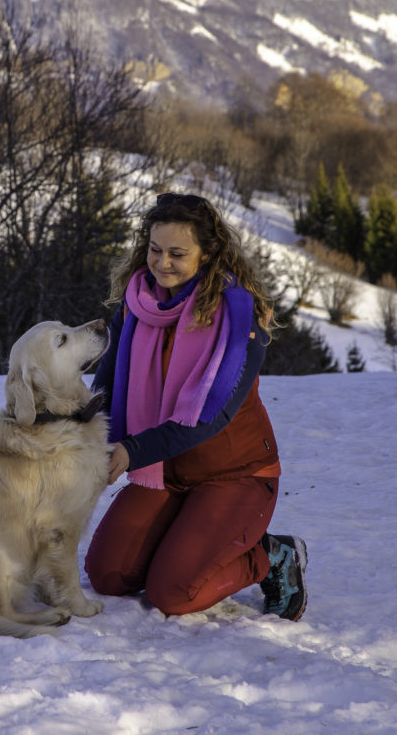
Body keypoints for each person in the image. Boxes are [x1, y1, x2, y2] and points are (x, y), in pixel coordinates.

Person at [85, 192, 308, 621]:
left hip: (235, 475)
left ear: (207, 254)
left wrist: (131, 451)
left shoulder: (239, 318)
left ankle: (272, 556)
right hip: (165, 474)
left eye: (177, 253)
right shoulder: (136, 307)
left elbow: (210, 416)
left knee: (175, 593)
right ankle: (182, 544)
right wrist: (83, 435)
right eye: (154, 249)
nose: (161, 263)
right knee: (108, 575)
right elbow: (108, 385)